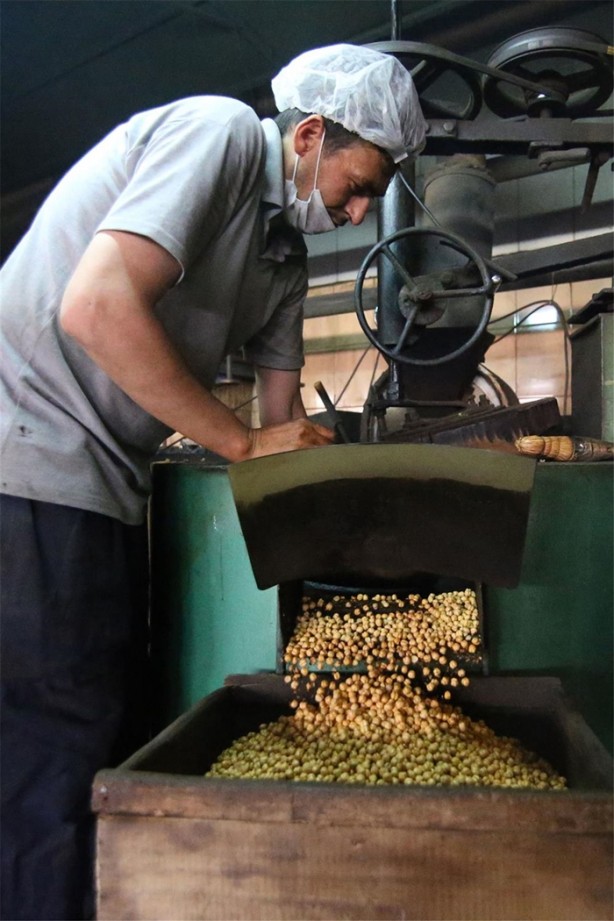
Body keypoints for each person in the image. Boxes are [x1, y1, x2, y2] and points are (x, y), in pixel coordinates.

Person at [0, 42, 426, 920]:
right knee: (57, 739)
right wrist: (239, 443)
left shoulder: (283, 263)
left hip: (102, 479)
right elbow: (95, 304)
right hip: (27, 455)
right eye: (357, 182)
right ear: (308, 134)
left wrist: (358, 554)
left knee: (111, 720)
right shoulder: (220, 134)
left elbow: (285, 431)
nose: (356, 211)